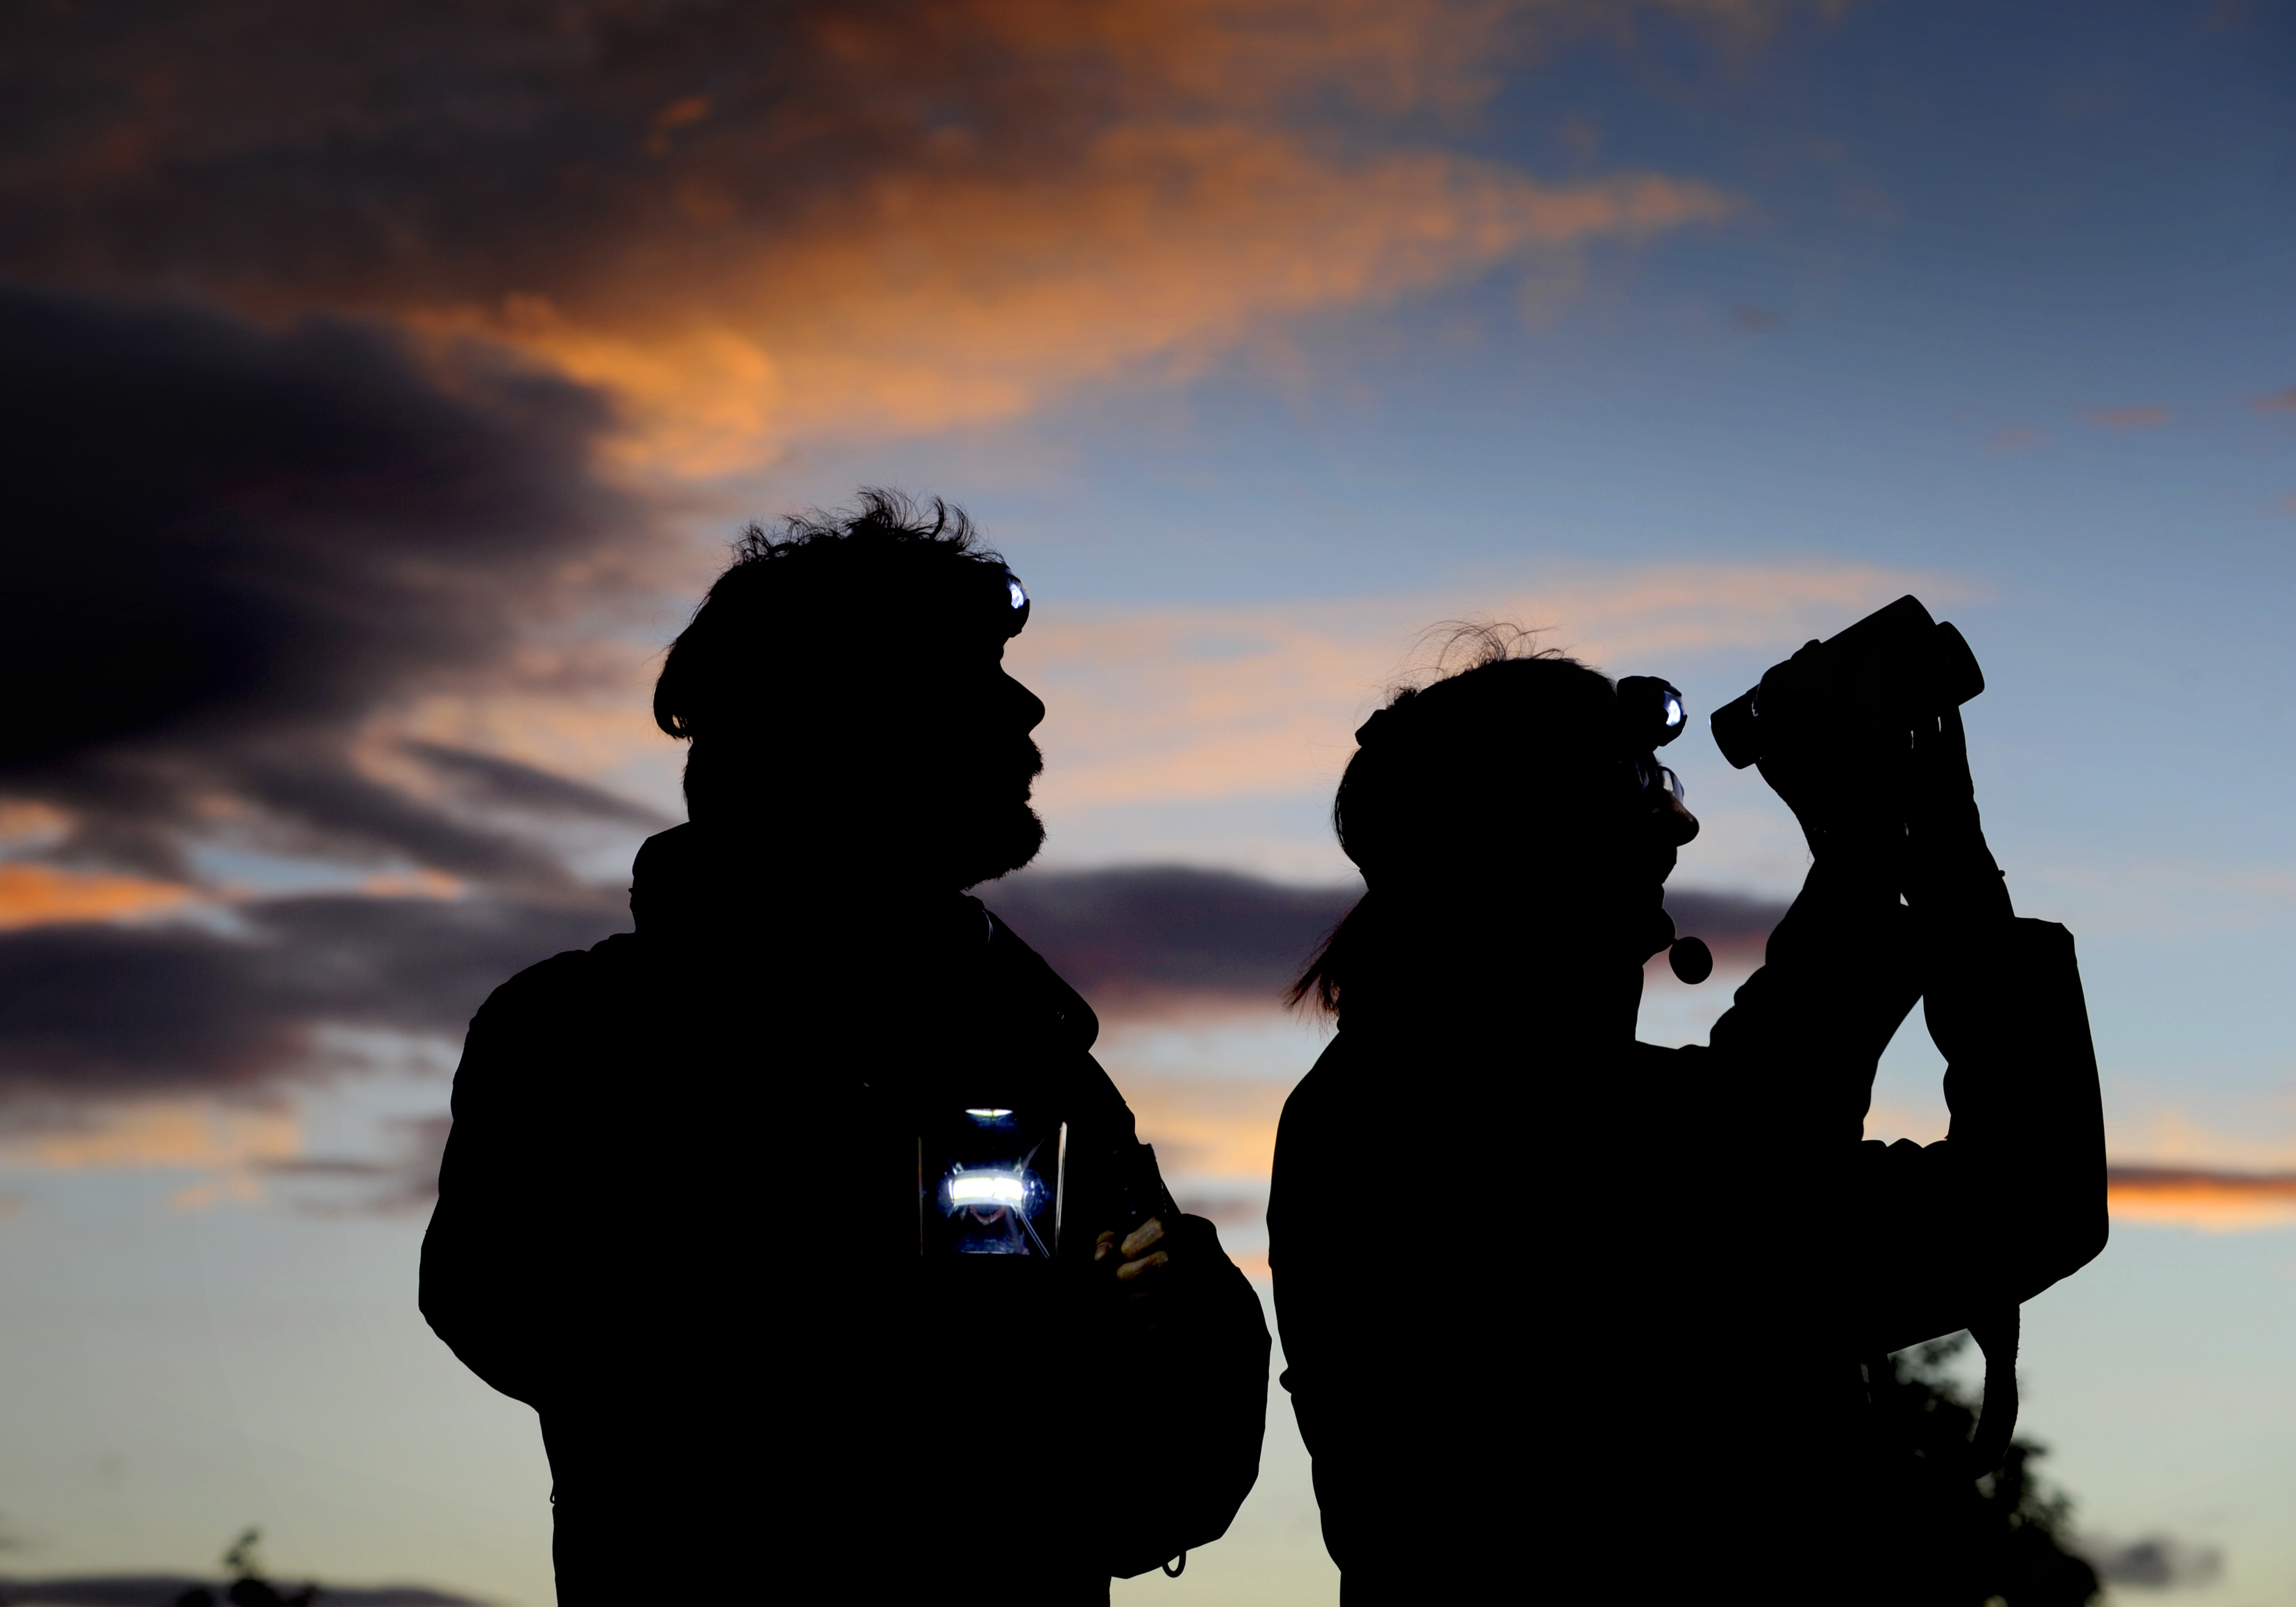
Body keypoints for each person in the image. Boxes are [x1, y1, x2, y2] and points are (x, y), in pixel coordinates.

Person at [420, 491, 1270, 1604]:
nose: (1027, 707)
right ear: (843, 724)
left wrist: (1167, 1305)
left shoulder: (1032, 1046)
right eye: (969, 679)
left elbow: (1173, 1432)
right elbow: (540, 1322)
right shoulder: (582, 1036)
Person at [1267, 629, 2108, 1602]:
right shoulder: (1456, 1133)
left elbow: (1755, 1107)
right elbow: (2018, 1198)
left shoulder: (1401, 1100)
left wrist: (1875, 847)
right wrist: (1934, 848)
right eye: (1634, 784)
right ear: (1528, 842)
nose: (1676, 828)